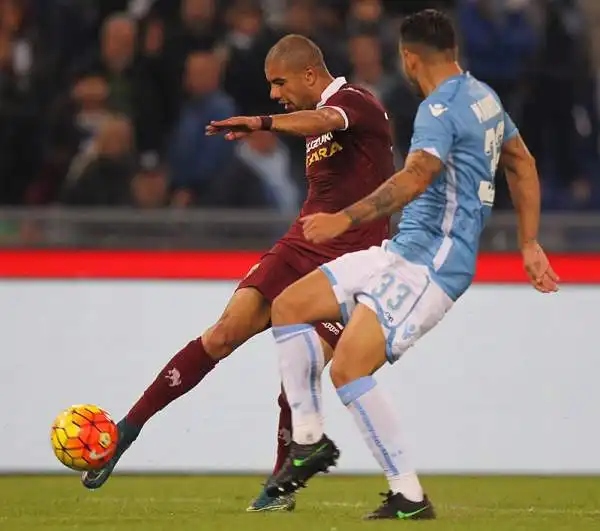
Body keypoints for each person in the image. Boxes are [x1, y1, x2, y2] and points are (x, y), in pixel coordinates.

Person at [263, 9, 559, 521]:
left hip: (433, 265)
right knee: (289, 306)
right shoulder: (484, 98)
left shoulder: (438, 110)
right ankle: (309, 441)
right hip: (402, 252)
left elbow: (416, 176)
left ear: (408, 57)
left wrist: (344, 219)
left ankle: (408, 496)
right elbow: (521, 161)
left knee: (350, 368)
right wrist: (529, 242)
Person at [80, 33, 395, 513]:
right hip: (299, 248)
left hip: (350, 268)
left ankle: (278, 487)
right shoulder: (314, 125)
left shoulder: (356, 104)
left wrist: (263, 122)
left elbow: (325, 118)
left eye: (279, 82)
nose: (274, 93)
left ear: (310, 74)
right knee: (224, 333)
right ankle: (128, 429)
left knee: (303, 367)